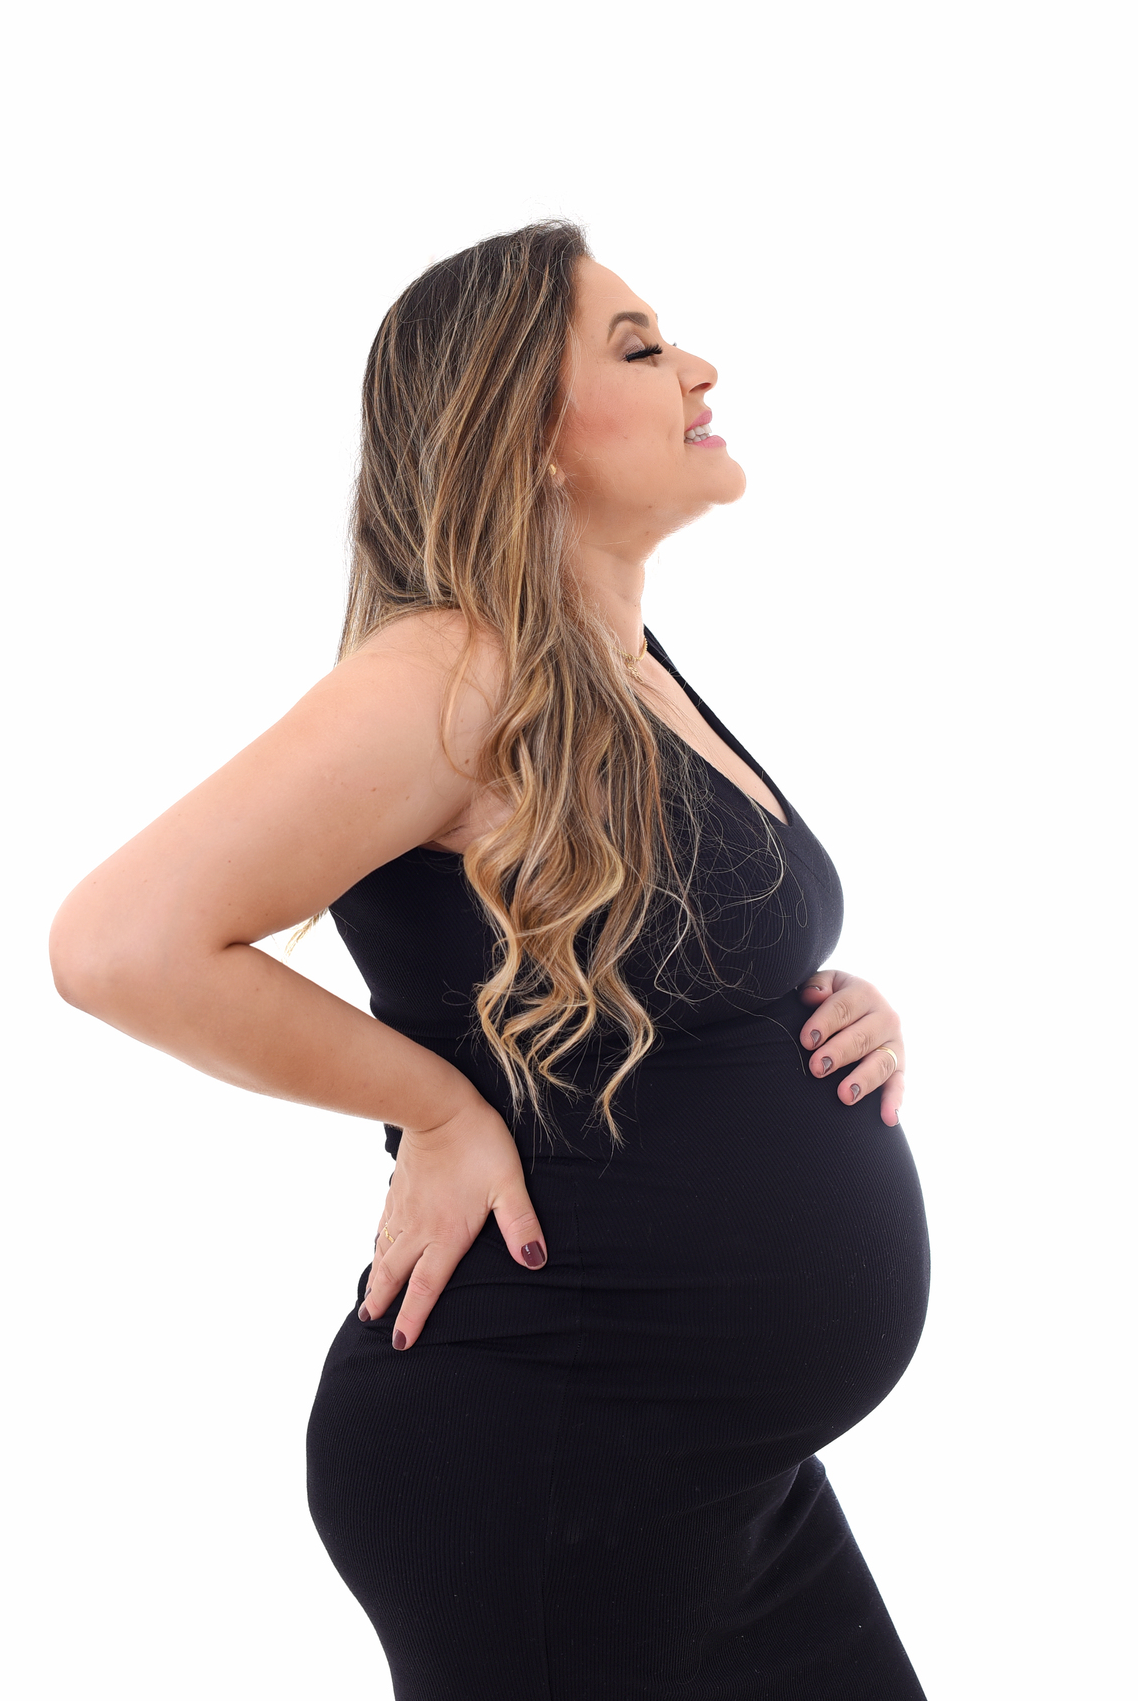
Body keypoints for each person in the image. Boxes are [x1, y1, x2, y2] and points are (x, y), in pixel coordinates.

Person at [49, 220, 930, 1699]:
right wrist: (438, 1111)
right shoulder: (452, 672)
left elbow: (665, 960)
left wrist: (828, 1008)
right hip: (548, 1463)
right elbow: (118, 945)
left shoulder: (619, 663)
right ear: (522, 434)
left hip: (714, 1470)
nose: (700, 368)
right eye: (640, 349)